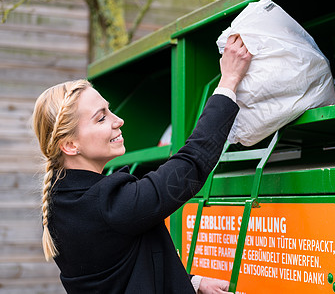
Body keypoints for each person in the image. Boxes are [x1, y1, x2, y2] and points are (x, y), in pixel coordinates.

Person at [32, 34, 252, 294]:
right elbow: (191, 164)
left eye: (109, 110)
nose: (118, 121)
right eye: (101, 118)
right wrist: (228, 81)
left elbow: (121, 271)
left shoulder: (62, 203)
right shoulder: (106, 204)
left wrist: (193, 283)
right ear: (70, 145)